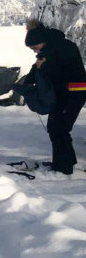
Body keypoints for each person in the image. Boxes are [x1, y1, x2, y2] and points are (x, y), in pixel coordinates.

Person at [23, 20, 86, 175]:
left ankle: (63, 167)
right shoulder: (48, 50)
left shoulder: (64, 48)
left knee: (59, 128)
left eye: (34, 47)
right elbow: (36, 68)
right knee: (55, 127)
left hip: (74, 93)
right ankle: (66, 160)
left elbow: (65, 73)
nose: (34, 51)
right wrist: (26, 82)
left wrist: (43, 67)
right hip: (62, 95)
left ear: (41, 41)